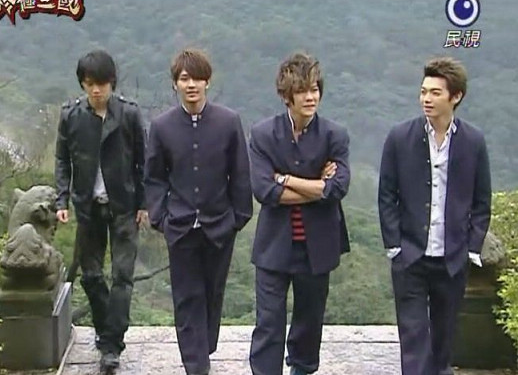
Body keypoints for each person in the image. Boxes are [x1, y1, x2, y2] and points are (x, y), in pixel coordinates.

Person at [378, 56, 491, 375]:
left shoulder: (473, 142)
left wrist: (471, 248)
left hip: (452, 258)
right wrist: (395, 245)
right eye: (423, 91)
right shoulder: (400, 137)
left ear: (456, 97)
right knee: (413, 339)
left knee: (443, 343)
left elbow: (481, 200)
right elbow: (387, 194)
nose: (426, 98)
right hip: (410, 256)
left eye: (435, 92)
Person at [144, 48, 253, 375]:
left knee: (212, 292)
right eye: (184, 78)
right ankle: (196, 364)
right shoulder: (162, 126)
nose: (191, 85)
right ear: (175, 84)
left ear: (208, 81)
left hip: (220, 224)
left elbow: (240, 173)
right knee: (186, 295)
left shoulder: (228, 122)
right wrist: (160, 217)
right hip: (179, 226)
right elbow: (154, 177)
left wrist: (238, 218)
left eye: (197, 78)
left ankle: (203, 348)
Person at [248, 52, 351, 375]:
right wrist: (316, 185)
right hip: (274, 244)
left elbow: (337, 188)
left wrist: (286, 179)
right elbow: (264, 191)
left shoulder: (334, 135)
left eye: (314, 89)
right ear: (286, 96)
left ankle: (302, 369)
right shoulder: (264, 134)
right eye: (302, 90)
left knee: (309, 319)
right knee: (269, 321)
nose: (310, 97)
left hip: (317, 244)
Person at [55, 49, 147, 371]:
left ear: (112, 82)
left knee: (122, 276)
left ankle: (111, 345)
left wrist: (144, 203)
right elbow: (62, 160)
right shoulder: (71, 116)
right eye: (90, 83)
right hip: (88, 207)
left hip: (124, 206)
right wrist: (61, 200)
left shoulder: (129, 115)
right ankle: (108, 330)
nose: (96, 90)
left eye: (102, 84)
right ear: (83, 83)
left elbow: (142, 162)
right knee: (91, 275)